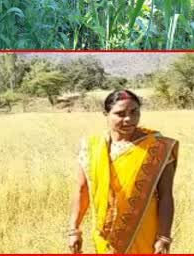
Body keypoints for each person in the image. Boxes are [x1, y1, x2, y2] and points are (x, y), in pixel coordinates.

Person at [68, 90, 178, 254]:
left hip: (143, 232)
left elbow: (165, 195)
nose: (129, 119)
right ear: (106, 114)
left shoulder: (157, 147)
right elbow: (82, 190)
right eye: (120, 114)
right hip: (104, 234)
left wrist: (163, 237)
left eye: (134, 112)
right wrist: (74, 229)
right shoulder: (91, 147)